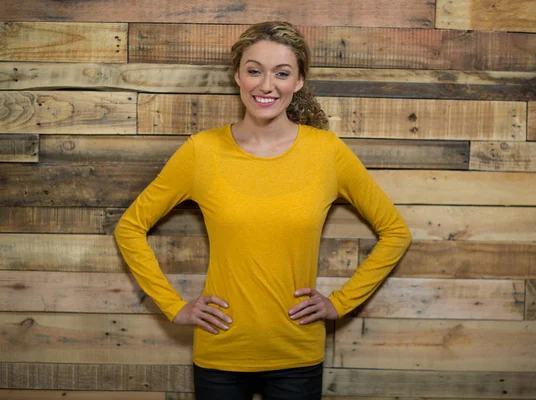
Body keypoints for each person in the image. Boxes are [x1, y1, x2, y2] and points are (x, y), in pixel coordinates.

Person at [114, 21, 412, 400]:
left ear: (299, 81)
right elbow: (130, 228)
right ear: (237, 75)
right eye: (254, 70)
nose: (266, 85)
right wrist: (174, 307)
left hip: (297, 354)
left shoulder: (327, 153)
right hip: (220, 352)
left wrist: (340, 302)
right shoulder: (201, 152)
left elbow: (396, 232)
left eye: (282, 73)